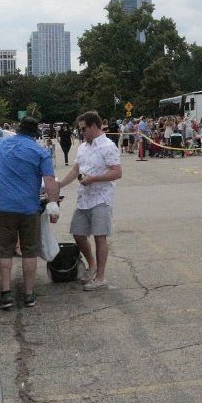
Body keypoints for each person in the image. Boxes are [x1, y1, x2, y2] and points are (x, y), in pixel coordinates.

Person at [0, 116, 60, 309]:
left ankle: (6, 294)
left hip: (4, 207)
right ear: (35, 134)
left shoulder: (1, 144)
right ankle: (28, 295)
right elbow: (50, 181)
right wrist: (53, 204)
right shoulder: (40, 152)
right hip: (29, 208)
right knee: (29, 252)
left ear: (18, 130)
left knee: (5, 251)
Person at [58, 111, 123, 291]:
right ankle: (92, 265)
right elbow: (75, 170)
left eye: (83, 129)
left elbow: (117, 172)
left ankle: (101, 277)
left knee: (99, 237)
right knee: (78, 233)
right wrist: (59, 185)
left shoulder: (108, 146)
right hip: (84, 198)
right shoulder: (83, 147)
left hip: (101, 197)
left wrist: (93, 178)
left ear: (94, 126)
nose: (81, 132)